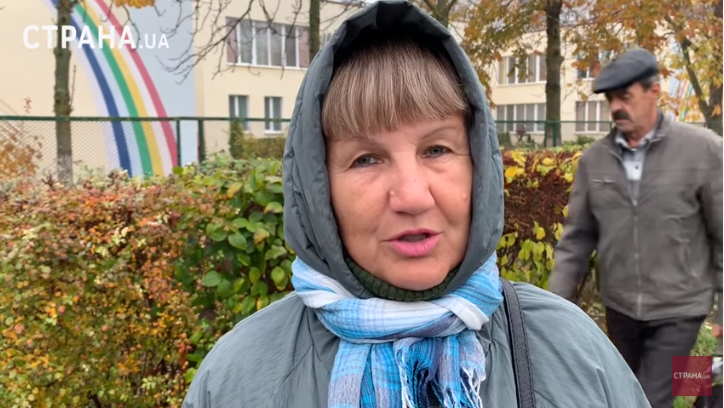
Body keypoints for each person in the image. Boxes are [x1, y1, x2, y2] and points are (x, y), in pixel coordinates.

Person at [182, 2, 652, 407]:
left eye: (437, 149)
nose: (411, 196)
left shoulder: (571, 351)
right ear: (319, 188)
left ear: (478, 168)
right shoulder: (238, 380)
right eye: (366, 159)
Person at [549, 47, 723, 408]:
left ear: (654, 91)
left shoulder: (702, 150)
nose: (616, 107)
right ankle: (700, 381)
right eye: (611, 99)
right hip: (620, 306)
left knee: (647, 399)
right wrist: (552, 305)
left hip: (679, 307)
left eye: (625, 97)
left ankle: (698, 381)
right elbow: (576, 239)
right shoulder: (595, 160)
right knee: (621, 390)